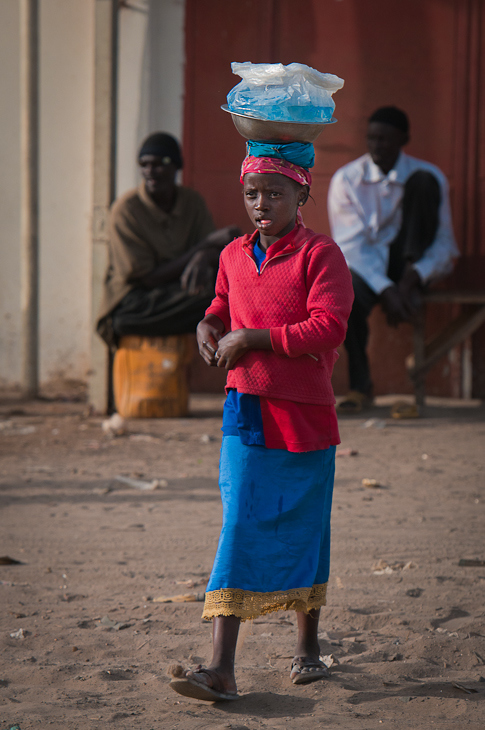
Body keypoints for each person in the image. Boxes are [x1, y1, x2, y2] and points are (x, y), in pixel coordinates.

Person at [168, 140, 354, 701]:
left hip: (305, 416)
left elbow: (328, 326)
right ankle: (221, 667)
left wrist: (255, 338)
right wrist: (208, 327)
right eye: (252, 193)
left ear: (302, 193)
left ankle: (308, 651)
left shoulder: (322, 256)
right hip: (245, 410)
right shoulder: (231, 255)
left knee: (307, 527)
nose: (261, 203)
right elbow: (220, 308)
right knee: (242, 522)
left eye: (274, 192)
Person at [327, 106, 459, 413]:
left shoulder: (429, 176)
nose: (377, 146)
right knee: (345, 299)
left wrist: (411, 279)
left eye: (385, 139)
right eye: (371, 138)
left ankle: (409, 283)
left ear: (404, 139)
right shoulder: (347, 179)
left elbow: (444, 244)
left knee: (422, 182)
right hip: (367, 268)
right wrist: (388, 289)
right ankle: (361, 388)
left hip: (413, 266)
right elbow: (351, 247)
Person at [96, 132, 240, 346]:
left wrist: (204, 255)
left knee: (227, 296)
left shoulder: (192, 202)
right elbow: (148, 278)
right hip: (137, 300)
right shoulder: (126, 210)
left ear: (176, 166)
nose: (151, 172)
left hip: (178, 290)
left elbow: (217, 249)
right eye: (144, 165)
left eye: (160, 163)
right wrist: (204, 246)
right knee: (125, 319)